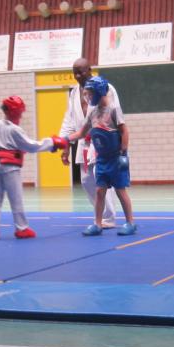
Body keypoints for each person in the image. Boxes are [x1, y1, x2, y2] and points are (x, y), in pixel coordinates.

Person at [0, 95, 65, 240]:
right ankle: (21, 229)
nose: (21, 115)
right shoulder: (15, 130)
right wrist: (52, 143)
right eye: (20, 112)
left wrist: (15, 149)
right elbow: (31, 146)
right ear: (15, 112)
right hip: (10, 169)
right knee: (16, 199)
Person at [65, 75, 136, 236]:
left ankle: (130, 222)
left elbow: (124, 131)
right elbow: (81, 133)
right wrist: (65, 139)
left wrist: (123, 153)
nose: (88, 97)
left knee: (120, 191)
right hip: (102, 159)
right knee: (99, 192)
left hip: (115, 158)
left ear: (99, 92)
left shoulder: (114, 110)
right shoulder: (93, 113)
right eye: (87, 94)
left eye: (90, 93)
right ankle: (97, 224)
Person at [60, 57, 121, 228]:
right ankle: (100, 214)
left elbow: (115, 112)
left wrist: (116, 141)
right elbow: (69, 120)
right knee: (87, 181)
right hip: (84, 142)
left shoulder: (105, 87)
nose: (78, 76)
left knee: (103, 179)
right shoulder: (74, 93)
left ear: (90, 70)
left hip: (103, 139)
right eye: (75, 73)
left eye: (81, 72)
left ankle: (108, 218)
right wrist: (65, 146)